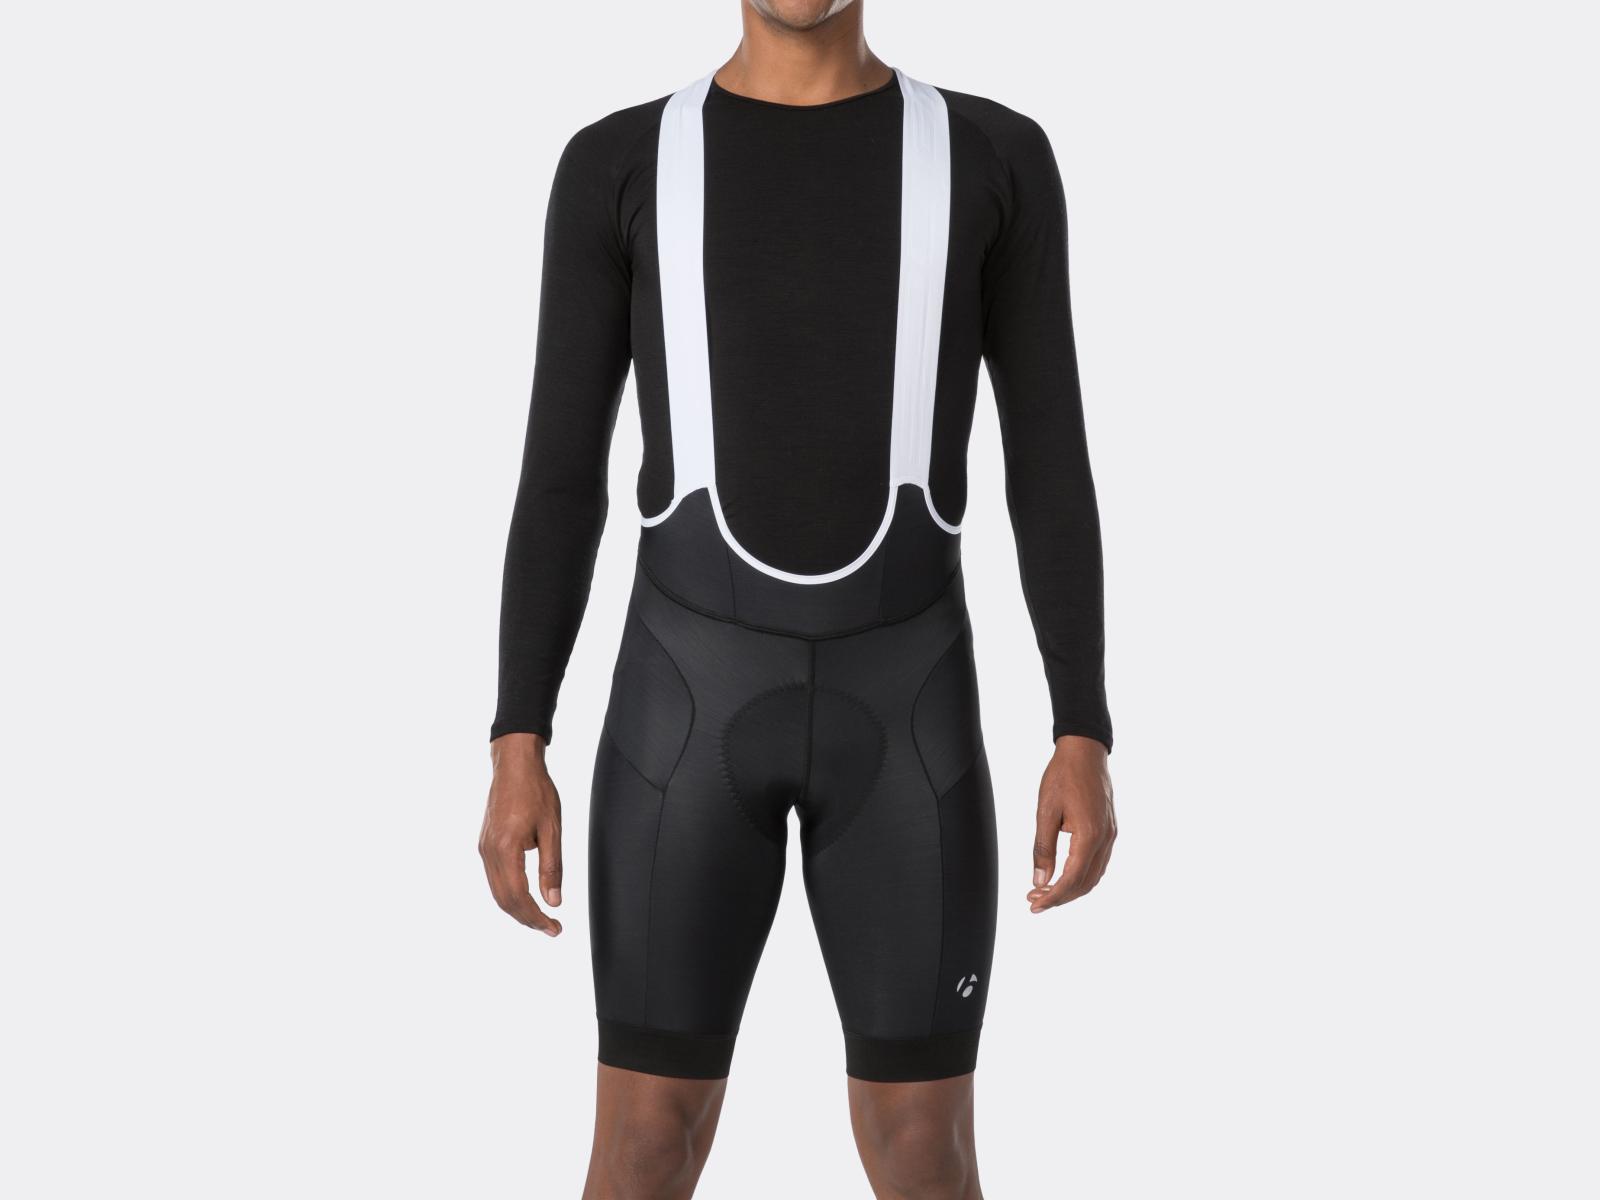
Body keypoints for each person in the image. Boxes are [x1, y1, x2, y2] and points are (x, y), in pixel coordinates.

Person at [479, 1, 1117, 1195]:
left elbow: (1049, 458)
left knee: (925, 1152)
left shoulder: (990, 157)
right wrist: (520, 738)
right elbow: (560, 473)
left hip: (909, 715)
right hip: (683, 715)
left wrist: (1080, 726)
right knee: (643, 1142)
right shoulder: (621, 162)